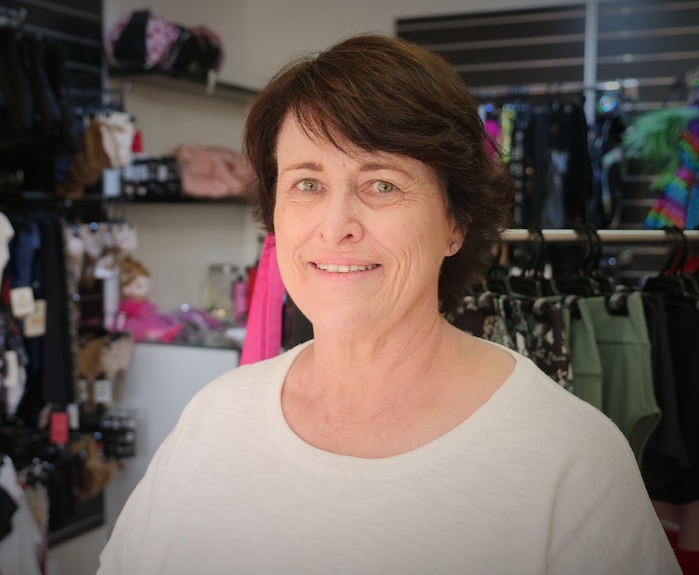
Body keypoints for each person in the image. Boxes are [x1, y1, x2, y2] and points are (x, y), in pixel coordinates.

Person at [96, 34, 680, 574]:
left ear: (456, 221)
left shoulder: (568, 460)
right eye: (307, 183)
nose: (335, 226)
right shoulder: (214, 418)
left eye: (382, 184)